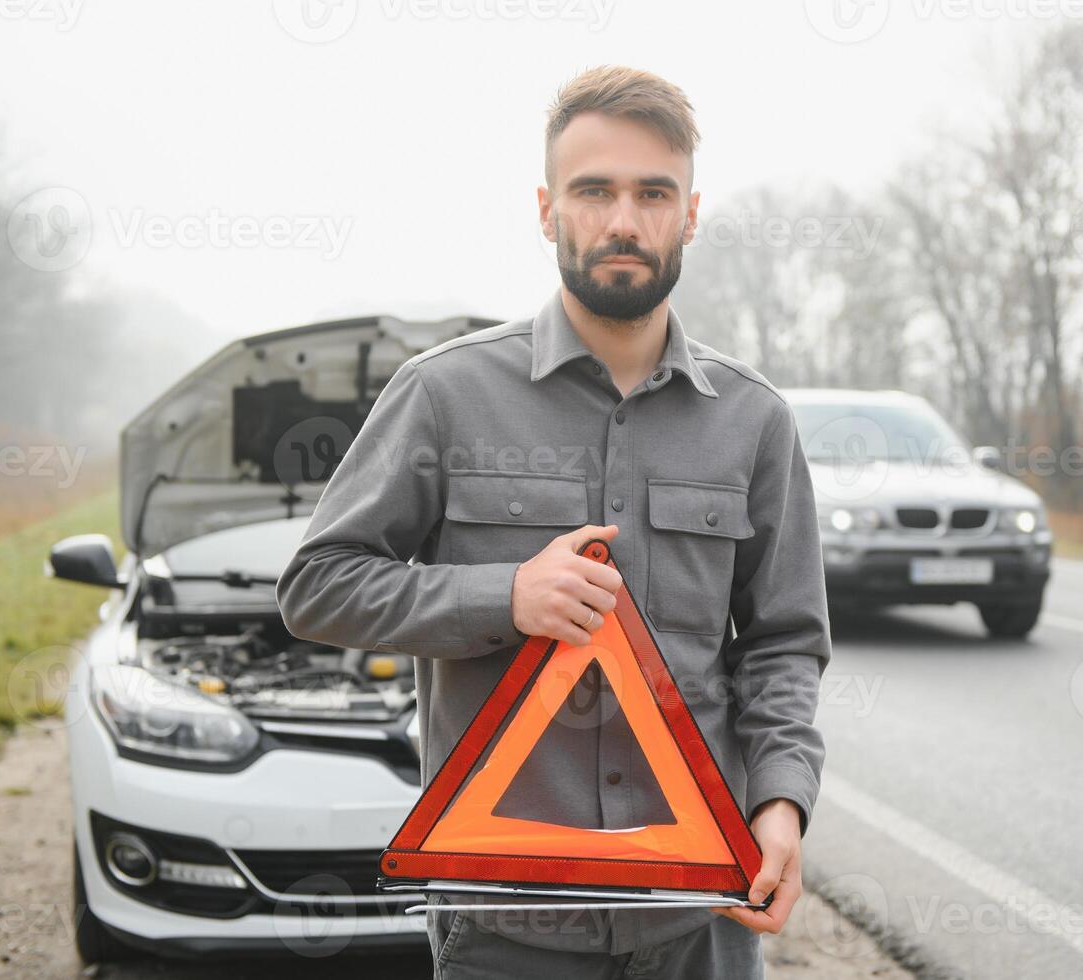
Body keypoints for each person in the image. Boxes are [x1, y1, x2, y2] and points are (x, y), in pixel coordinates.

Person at [276, 64, 831, 980]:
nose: (623, 220)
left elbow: (781, 644)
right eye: (593, 191)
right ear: (546, 210)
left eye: (654, 193)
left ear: (690, 214)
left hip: (698, 915)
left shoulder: (754, 420)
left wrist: (780, 804)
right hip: (506, 922)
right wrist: (507, 596)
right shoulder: (443, 394)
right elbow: (318, 587)